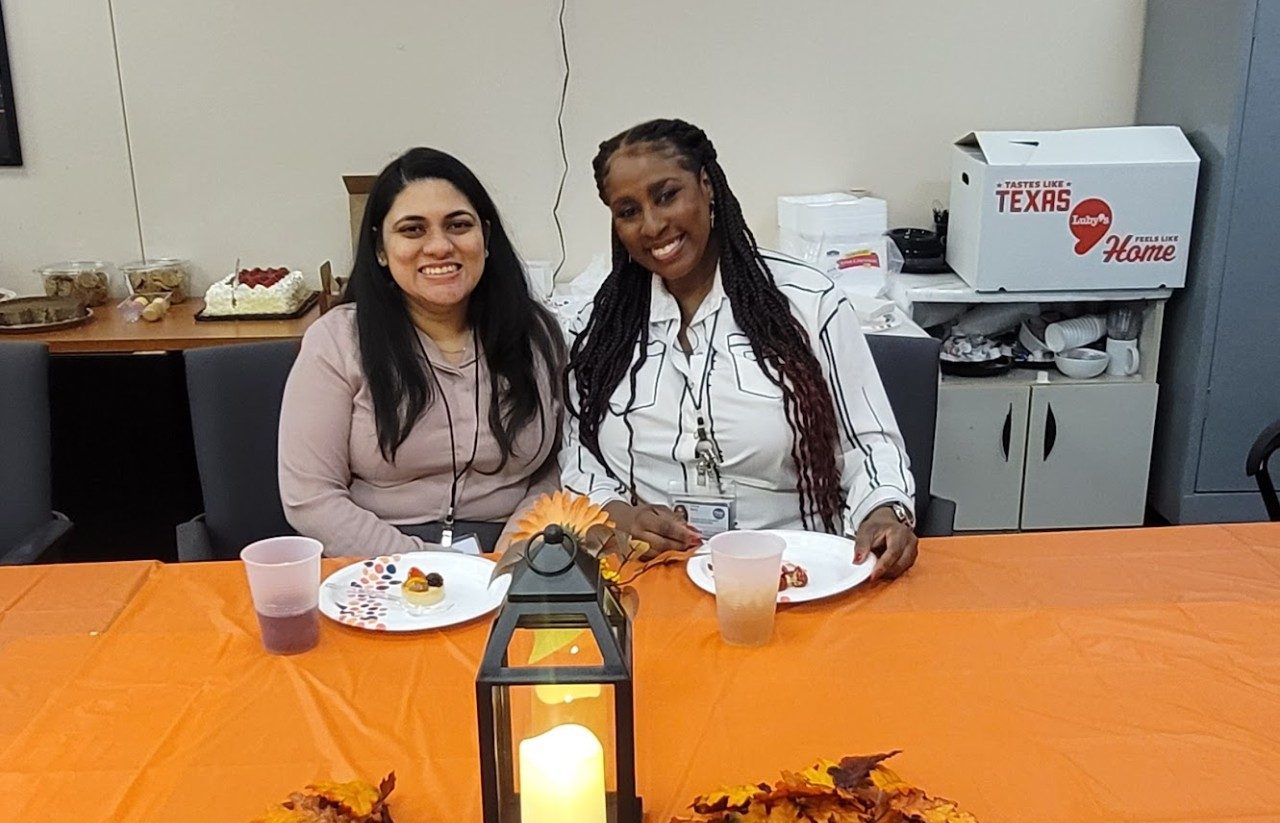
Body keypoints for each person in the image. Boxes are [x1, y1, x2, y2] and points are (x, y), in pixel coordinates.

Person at [561, 119, 917, 578]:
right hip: (653, 576)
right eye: (628, 211)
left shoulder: (807, 303)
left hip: (797, 572)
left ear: (706, 186)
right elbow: (579, 452)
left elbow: (868, 444)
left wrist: (882, 512)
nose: (652, 225)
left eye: (667, 195)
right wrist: (617, 515)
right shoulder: (600, 325)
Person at [279, 148, 563, 555]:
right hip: (376, 557)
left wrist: (512, 553)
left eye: (458, 225)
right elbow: (310, 497)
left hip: (513, 554)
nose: (439, 246)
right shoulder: (338, 341)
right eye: (413, 230)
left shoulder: (536, 335)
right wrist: (424, 567)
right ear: (380, 249)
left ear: (485, 238)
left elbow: (558, 466)